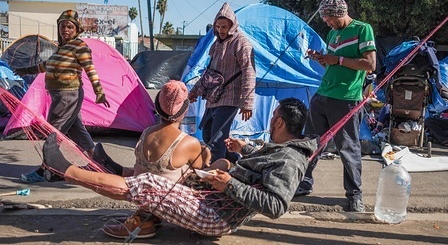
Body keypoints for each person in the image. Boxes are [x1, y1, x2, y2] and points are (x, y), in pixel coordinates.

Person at [42, 98, 318, 237]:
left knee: (149, 183)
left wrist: (229, 183)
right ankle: (146, 219)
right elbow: (263, 162)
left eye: (272, 118)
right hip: (215, 198)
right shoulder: (281, 150)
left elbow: (276, 206)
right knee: (185, 174)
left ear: (279, 122)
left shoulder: (289, 160)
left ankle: (65, 170)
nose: (270, 122)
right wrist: (242, 149)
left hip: (217, 216)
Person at [94, 80, 213, 239]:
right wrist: (206, 156)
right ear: (184, 111)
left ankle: (146, 214)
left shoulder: (146, 132)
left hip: (143, 195)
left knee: (147, 170)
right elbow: (198, 172)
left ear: (157, 107)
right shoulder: (189, 143)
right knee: (202, 170)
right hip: (167, 199)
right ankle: (145, 221)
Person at [296, 0, 376, 213]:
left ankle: (354, 195)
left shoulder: (362, 29)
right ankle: (304, 183)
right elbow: (332, 62)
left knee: (348, 147)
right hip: (323, 94)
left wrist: (337, 60)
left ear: (340, 13)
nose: (328, 23)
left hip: (347, 98)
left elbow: (370, 64)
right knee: (311, 143)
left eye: (330, 18)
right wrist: (321, 59)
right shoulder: (332, 34)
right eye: (325, 19)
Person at [15, 9, 110, 183]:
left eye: (69, 26)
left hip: (68, 96)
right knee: (78, 132)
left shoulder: (79, 46)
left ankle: (44, 170)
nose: (65, 30)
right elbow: (46, 66)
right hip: (61, 96)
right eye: (62, 26)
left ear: (76, 29)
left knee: (52, 132)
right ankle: (99, 163)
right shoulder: (62, 48)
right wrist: (24, 70)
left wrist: (99, 92)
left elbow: (90, 70)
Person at [188, 2, 256, 164]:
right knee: (207, 133)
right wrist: (195, 91)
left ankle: (215, 174)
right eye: (218, 26)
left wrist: (247, 102)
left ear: (232, 26)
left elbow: (249, 71)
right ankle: (236, 161)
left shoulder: (241, 43)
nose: (221, 30)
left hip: (230, 98)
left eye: (224, 27)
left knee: (217, 138)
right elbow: (209, 72)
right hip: (214, 97)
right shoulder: (217, 44)